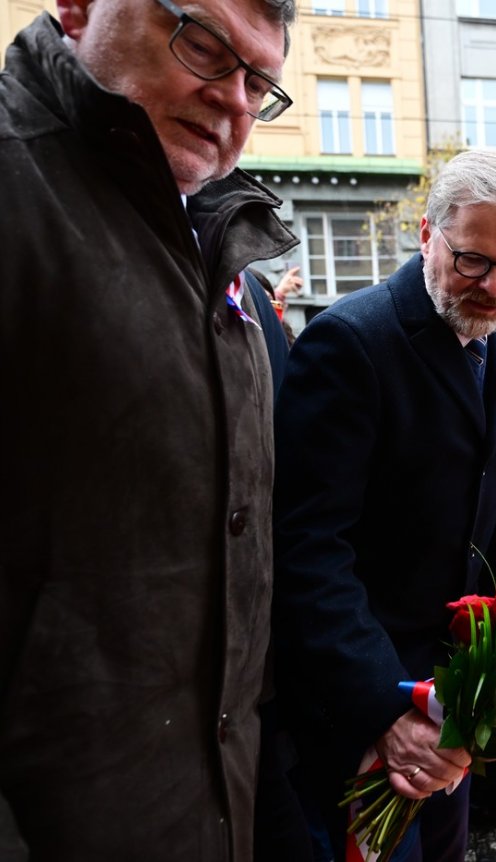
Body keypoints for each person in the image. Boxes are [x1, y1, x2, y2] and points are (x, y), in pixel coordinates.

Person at [0, 0, 297, 857]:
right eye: (203, 44)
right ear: (80, 7)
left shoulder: (217, 243)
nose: (234, 100)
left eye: (260, 82)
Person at [272, 149, 496, 862]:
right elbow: (309, 548)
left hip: (457, 686)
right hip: (367, 701)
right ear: (428, 235)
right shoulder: (350, 343)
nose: (495, 288)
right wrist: (384, 707)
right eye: (472, 261)